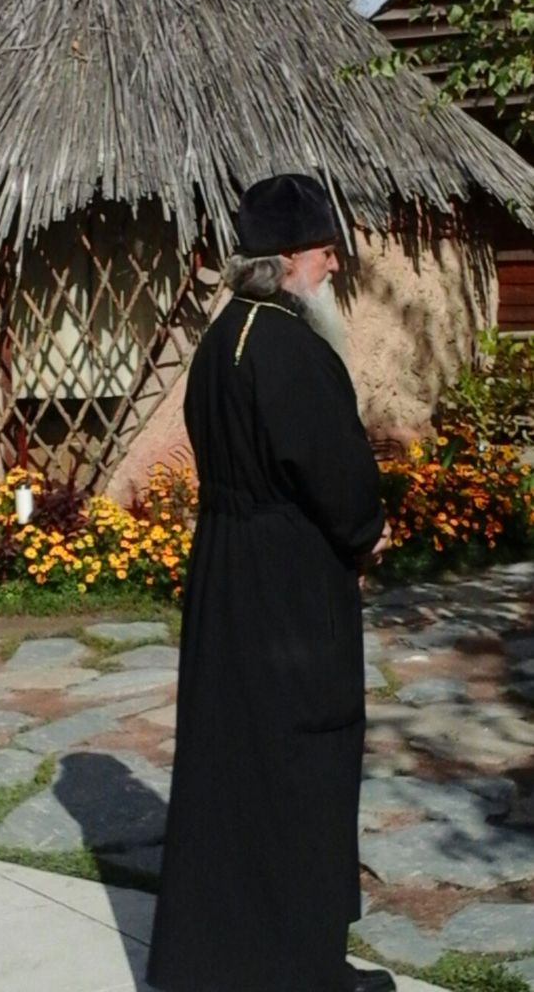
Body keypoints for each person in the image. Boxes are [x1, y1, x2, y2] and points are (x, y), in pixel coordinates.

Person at [147, 173, 393, 992]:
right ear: (286, 259)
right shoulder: (290, 348)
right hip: (288, 582)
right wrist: (366, 533)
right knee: (300, 761)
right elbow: (337, 477)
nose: (333, 266)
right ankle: (303, 971)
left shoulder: (221, 340)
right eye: (324, 252)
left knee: (232, 762)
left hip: (226, 570)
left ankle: (224, 963)